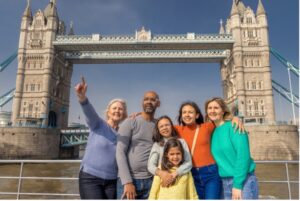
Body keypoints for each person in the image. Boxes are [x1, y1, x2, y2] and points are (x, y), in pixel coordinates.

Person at [75, 76, 128, 199]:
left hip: (112, 181)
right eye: (114, 108)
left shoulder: (124, 135)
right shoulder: (97, 124)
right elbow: (88, 111)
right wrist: (82, 97)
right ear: (108, 112)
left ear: (124, 114)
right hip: (90, 178)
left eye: (120, 109)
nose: (117, 111)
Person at [205, 97, 258, 200]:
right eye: (209, 108)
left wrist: (237, 184)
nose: (212, 110)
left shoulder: (234, 126)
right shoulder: (212, 132)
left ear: (223, 110)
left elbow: (243, 156)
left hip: (243, 181)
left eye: (216, 108)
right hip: (223, 183)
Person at [116, 91, 160, 199]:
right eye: (146, 99)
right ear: (142, 102)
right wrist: (127, 182)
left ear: (158, 103)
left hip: (151, 180)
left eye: (152, 100)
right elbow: (120, 151)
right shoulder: (130, 122)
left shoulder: (159, 125)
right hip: (130, 181)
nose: (149, 102)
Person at [147, 115, 192, 181]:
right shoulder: (157, 145)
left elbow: (188, 162)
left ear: (171, 126)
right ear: (158, 130)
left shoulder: (181, 142)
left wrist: (176, 173)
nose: (164, 128)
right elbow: (150, 166)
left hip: (181, 179)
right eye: (161, 126)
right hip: (163, 181)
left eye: (167, 125)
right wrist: (162, 173)